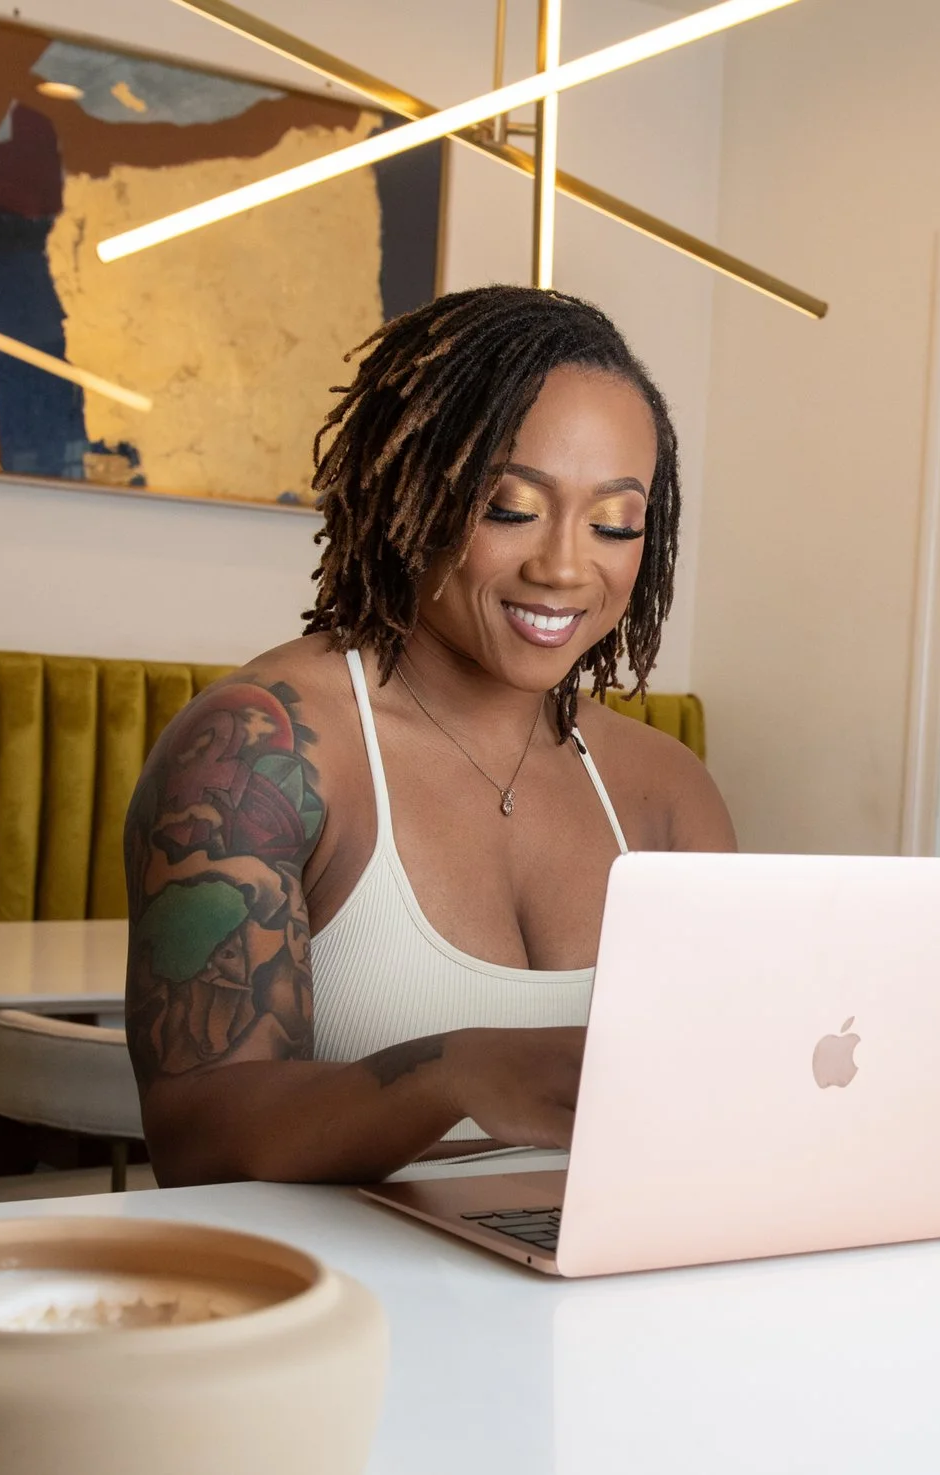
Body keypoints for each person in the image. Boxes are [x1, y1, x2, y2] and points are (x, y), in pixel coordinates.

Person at [124, 286, 735, 1185]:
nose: (564, 567)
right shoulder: (266, 749)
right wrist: (448, 1072)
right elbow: (195, 1142)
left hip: (597, 1261)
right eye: (510, 509)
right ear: (407, 492)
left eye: (614, 524)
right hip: (343, 1273)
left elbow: (720, 1098)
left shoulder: (665, 792)